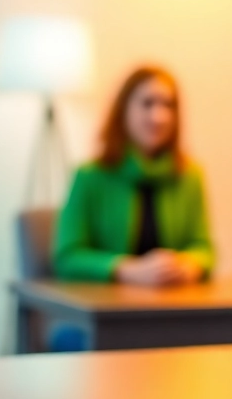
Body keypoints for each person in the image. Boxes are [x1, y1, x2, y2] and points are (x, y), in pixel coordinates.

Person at [53, 65, 215, 286]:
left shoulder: (190, 175)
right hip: (108, 309)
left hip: (172, 306)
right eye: (147, 103)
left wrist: (186, 264)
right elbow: (68, 258)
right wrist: (126, 269)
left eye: (168, 105)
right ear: (123, 110)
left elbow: (205, 249)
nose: (159, 116)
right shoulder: (90, 176)